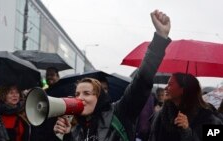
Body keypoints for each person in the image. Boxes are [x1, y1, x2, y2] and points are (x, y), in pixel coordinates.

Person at [53, 9, 171, 141]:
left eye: (86, 93)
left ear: (99, 96)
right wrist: (67, 136)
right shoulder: (76, 129)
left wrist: (160, 39)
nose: (80, 98)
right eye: (77, 94)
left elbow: (142, 79)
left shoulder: (119, 112)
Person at [148, 73, 223, 141]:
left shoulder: (208, 117)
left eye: (170, 84)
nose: (165, 88)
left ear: (183, 89)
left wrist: (187, 131)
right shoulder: (160, 115)